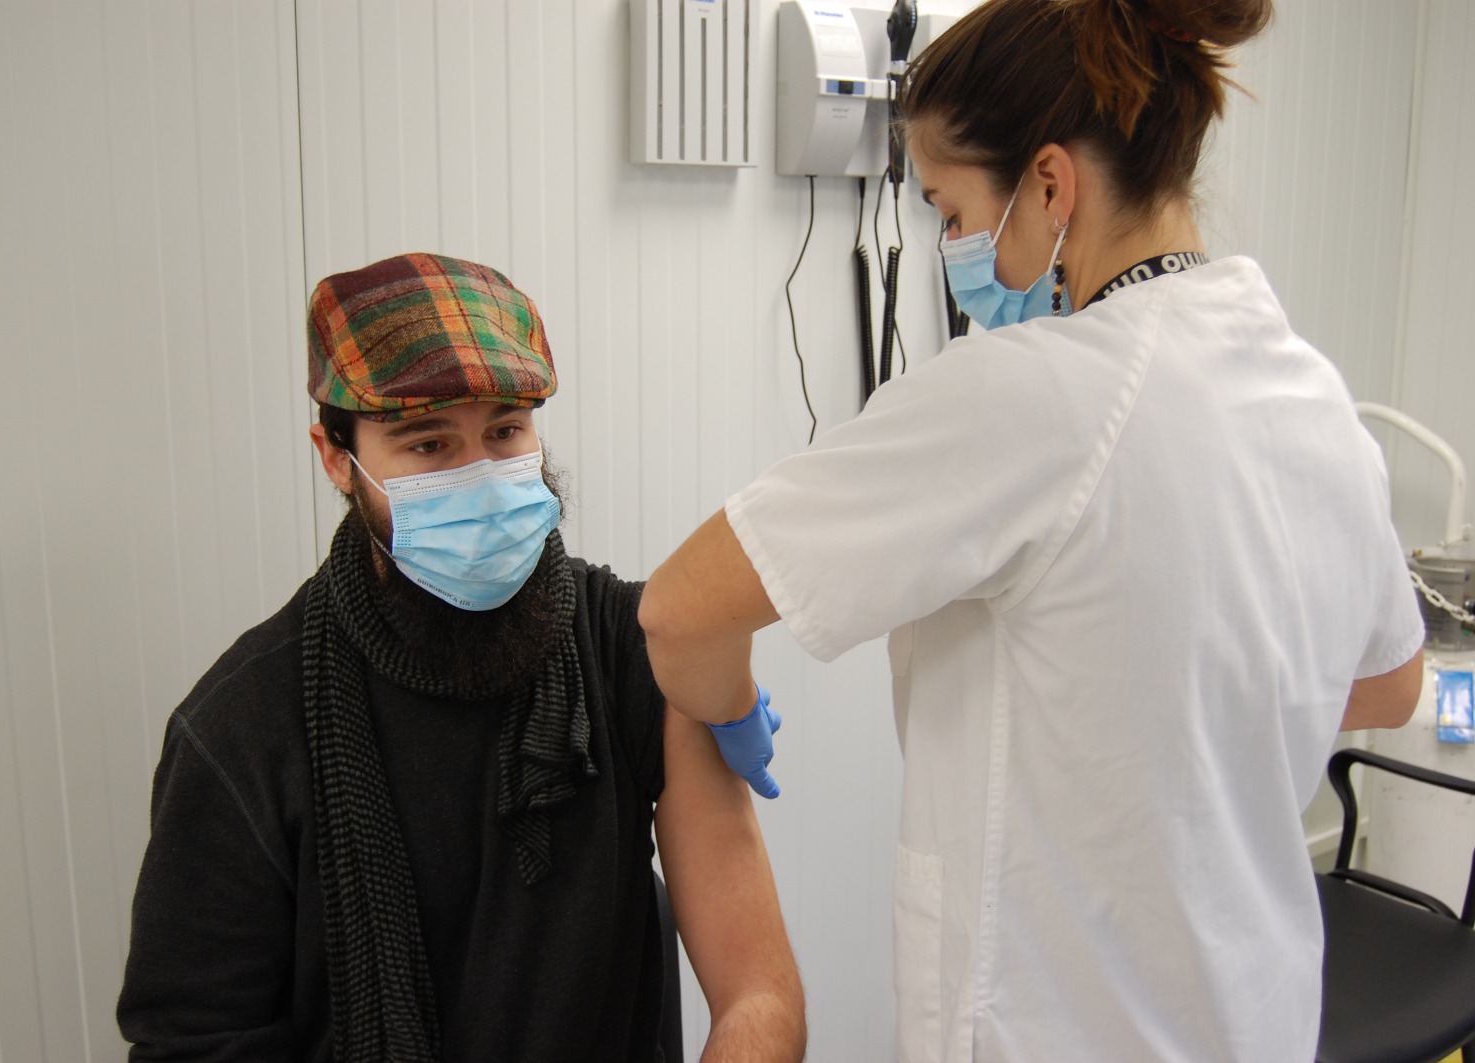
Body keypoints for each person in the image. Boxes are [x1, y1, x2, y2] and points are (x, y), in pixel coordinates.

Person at [638, 1, 1425, 1060]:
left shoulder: (1030, 397)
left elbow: (679, 611)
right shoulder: (1311, 395)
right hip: (1253, 1017)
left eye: (951, 210)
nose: (953, 247)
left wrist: (726, 709)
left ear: (1049, 185)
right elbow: (1386, 685)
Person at [117, 253, 806, 1062]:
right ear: (337, 456)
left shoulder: (631, 651)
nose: (481, 477)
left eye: (506, 431)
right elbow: (193, 1043)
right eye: (429, 444)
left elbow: (759, 992)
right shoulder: (241, 733)